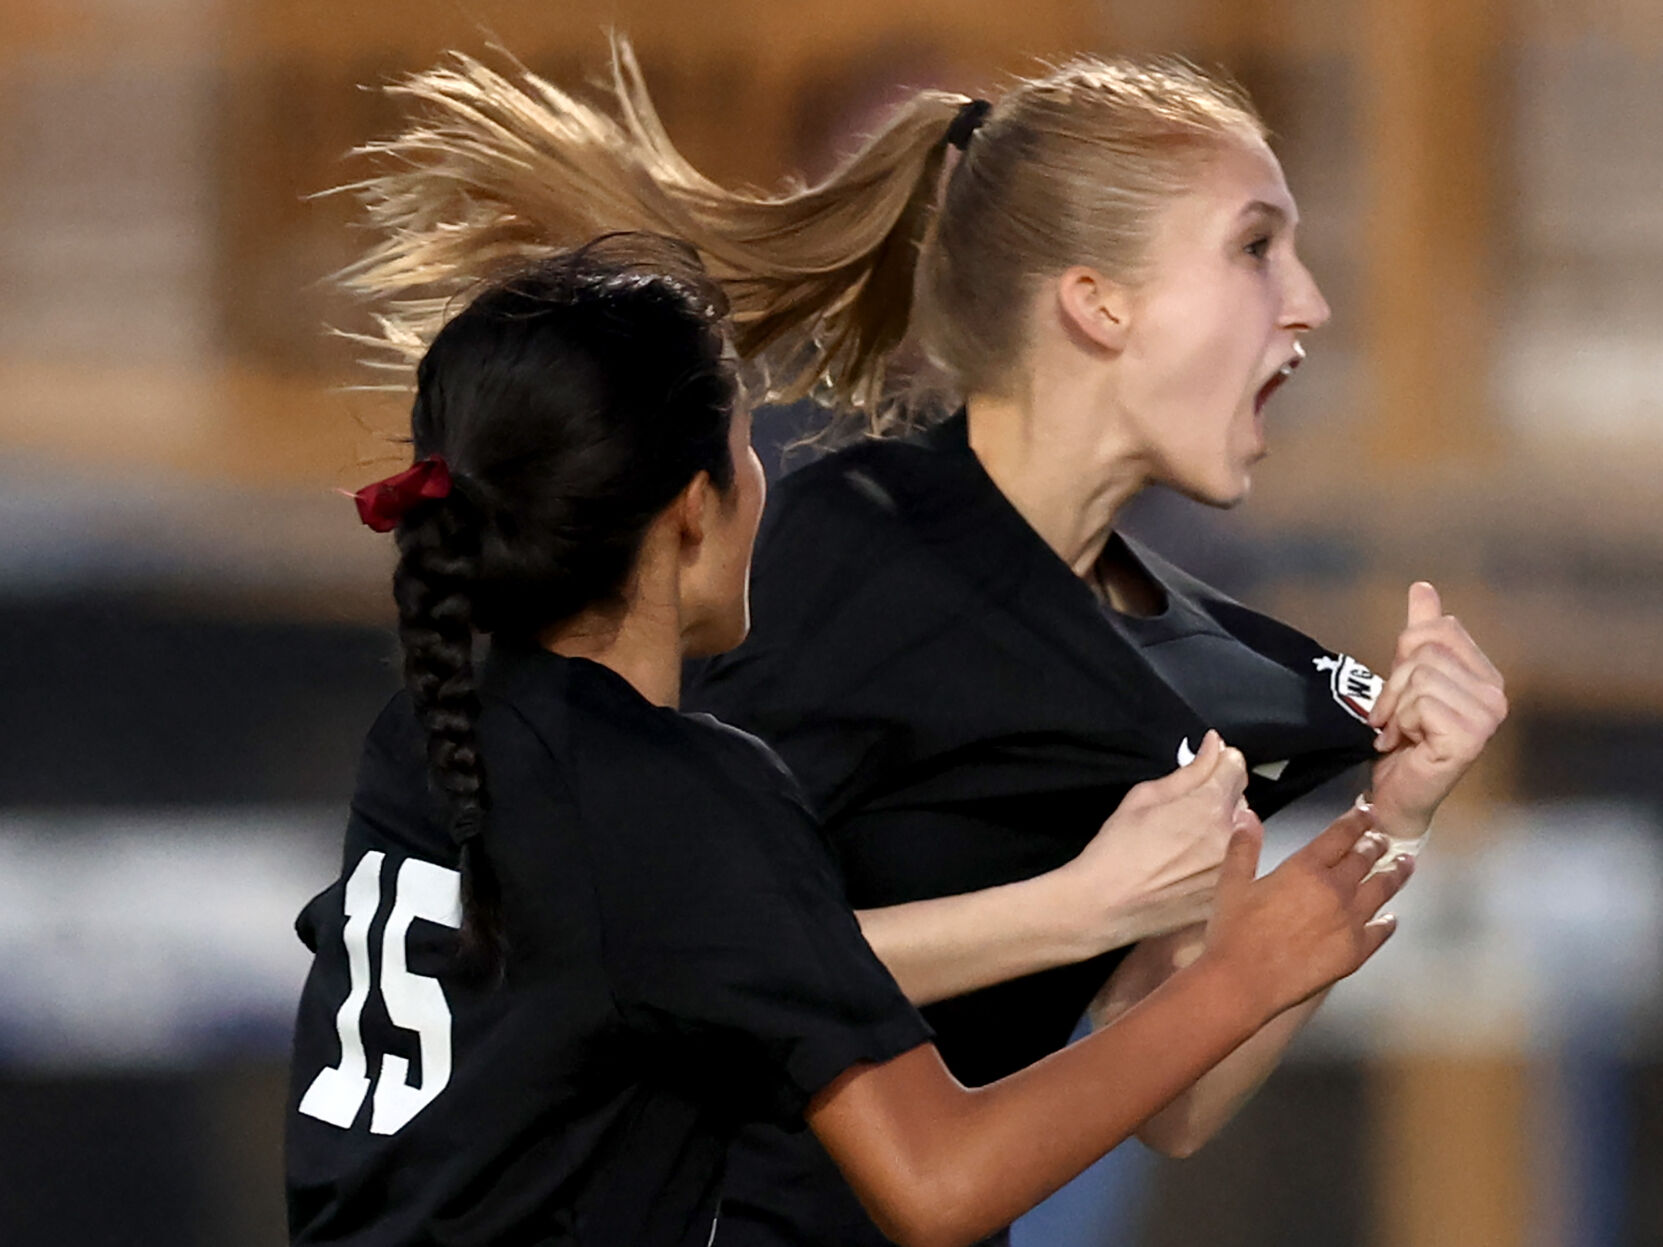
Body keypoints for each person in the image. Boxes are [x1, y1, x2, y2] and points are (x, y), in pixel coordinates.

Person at [334, 48, 1507, 1246]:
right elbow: (621, 964)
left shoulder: (1221, 673)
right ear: (1098, 299)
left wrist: (1396, 816)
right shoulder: (842, 554)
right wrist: (1078, 908)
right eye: (1254, 245)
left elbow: (1178, 1097)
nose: (1306, 298)